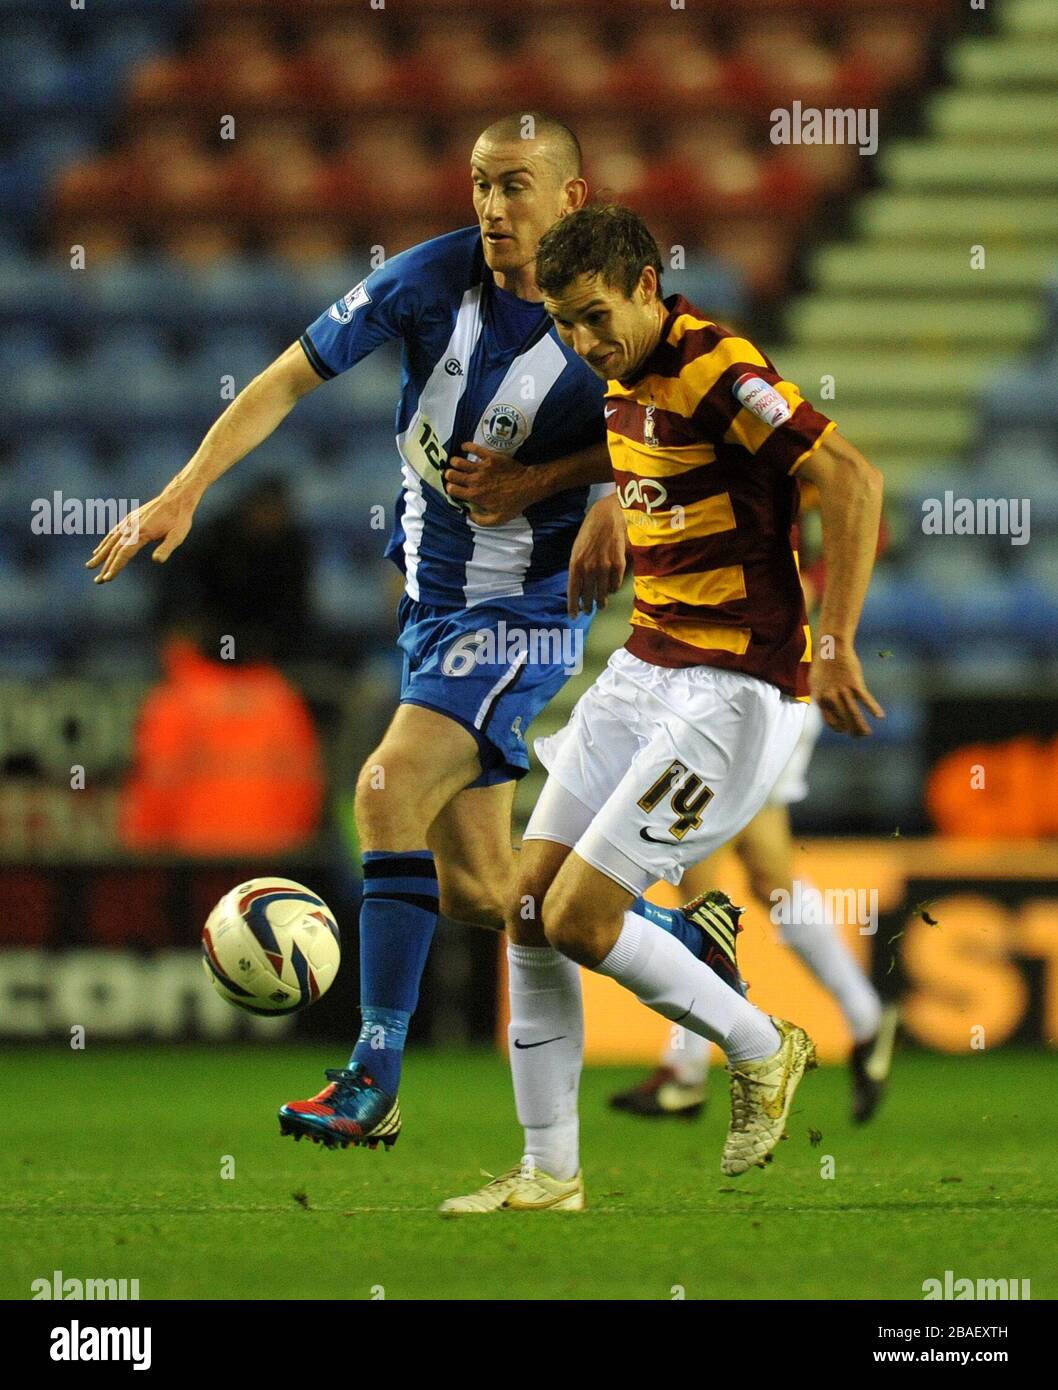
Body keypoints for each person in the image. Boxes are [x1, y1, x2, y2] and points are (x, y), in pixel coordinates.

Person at [89, 114, 711, 1151]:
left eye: (514, 186)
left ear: (571, 197)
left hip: (524, 609)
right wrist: (183, 489)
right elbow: (290, 374)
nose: (489, 205)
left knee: (382, 790)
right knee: (481, 887)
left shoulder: (608, 303)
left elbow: (679, 419)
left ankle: (372, 1077)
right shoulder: (429, 279)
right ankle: (678, 934)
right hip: (431, 607)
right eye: (477, 183)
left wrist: (605, 491)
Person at [441, 204, 884, 1213]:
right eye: (564, 325)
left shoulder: (715, 367)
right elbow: (636, 446)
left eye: (597, 319)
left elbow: (848, 480)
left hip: (729, 689)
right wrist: (550, 488)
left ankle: (761, 1044)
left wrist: (835, 637)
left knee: (579, 918)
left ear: (647, 286)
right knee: (524, 910)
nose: (583, 344)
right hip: (642, 669)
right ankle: (549, 1173)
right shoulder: (626, 374)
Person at [612, 514, 897, 1127]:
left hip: (751, 696)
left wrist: (813, 592)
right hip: (760, 693)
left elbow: (864, 512)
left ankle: (690, 1067)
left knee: (698, 876)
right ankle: (866, 1016)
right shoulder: (760, 471)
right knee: (768, 876)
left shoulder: (766, 467)